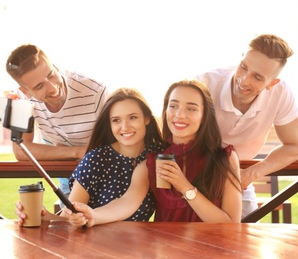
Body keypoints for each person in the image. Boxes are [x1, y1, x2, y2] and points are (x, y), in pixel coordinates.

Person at [66, 79, 242, 227]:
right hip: (166, 251)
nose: (179, 115)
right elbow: (128, 202)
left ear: (204, 115)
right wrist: (94, 216)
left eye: (191, 108)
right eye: (173, 106)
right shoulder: (155, 160)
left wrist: (184, 187)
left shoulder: (224, 157)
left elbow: (232, 225)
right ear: (165, 111)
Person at [15, 87, 164, 225]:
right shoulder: (96, 159)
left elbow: (129, 200)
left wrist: (92, 215)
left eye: (133, 117)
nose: (125, 127)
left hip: (138, 247)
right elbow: (68, 218)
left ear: (147, 118)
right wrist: (43, 217)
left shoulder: (156, 155)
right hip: (94, 246)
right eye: (116, 120)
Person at [195, 34, 298, 218]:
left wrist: (249, 175)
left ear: (272, 83)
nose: (244, 80)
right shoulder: (204, 84)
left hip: (238, 179)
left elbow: (294, 147)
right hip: (194, 176)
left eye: (257, 77)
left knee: (248, 239)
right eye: (243, 67)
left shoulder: (281, 94)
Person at [5, 44, 108, 202]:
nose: (53, 88)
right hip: (65, 172)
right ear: (26, 91)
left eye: (51, 75)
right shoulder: (21, 98)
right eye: (39, 86)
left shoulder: (96, 92)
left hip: (103, 171)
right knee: (69, 222)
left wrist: (82, 155)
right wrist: (77, 152)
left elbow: (116, 146)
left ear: (56, 66)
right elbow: (21, 151)